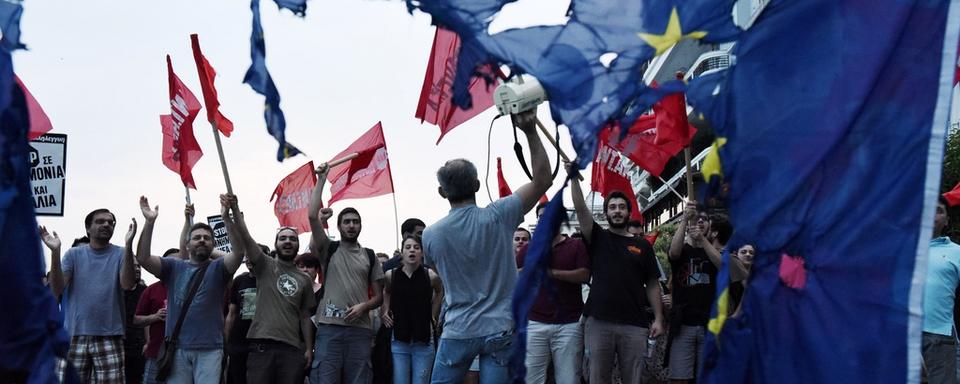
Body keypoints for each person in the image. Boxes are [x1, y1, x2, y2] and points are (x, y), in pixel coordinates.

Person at [422, 109, 553, 383]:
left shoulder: (431, 235)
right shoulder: (500, 215)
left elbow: (438, 271)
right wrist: (529, 130)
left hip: (458, 329)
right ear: (478, 186)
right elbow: (542, 179)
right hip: (501, 329)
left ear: (441, 192)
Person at [570, 165, 664, 384]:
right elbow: (581, 208)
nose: (617, 211)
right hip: (598, 322)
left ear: (629, 212)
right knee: (597, 379)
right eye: (612, 207)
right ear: (606, 213)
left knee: (634, 379)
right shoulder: (597, 238)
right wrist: (574, 178)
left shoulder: (643, 246)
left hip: (635, 324)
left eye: (622, 207)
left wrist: (659, 318)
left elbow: (652, 284)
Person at [136, 196, 244, 383]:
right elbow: (143, 258)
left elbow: (239, 253)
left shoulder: (219, 268)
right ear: (187, 245)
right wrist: (149, 222)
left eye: (206, 238)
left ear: (213, 245)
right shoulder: (173, 267)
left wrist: (226, 218)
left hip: (210, 349)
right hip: (177, 348)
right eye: (196, 238)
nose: (202, 240)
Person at [223, 194, 317, 384]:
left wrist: (308, 347)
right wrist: (234, 211)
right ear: (276, 244)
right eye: (283, 238)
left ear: (298, 245)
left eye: (292, 238)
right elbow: (246, 238)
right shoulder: (265, 265)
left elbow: (305, 316)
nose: (288, 241)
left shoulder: (304, 280)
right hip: (261, 348)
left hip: (292, 349)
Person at [308, 162, 386, 384]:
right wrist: (322, 180)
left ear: (361, 226)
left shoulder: (370, 256)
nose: (351, 225)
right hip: (329, 329)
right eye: (346, 222)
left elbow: (379, 297)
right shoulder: (329, 249)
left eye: (355, 222)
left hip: (360, 331)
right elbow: (313, 217)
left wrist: (364, 306)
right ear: (339, 226)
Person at [44, 208, 139, 383]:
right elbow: (56, 290)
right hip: (74, 335)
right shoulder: (73, 254)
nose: (107, 225)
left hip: (110, 335)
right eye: (100, 221)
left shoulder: (120, 253)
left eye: (111, 222)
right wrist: (55, 253)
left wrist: (128, 245)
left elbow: (128, 284)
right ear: (88, 228)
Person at [515, 204, 590, 384]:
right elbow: (515, 276)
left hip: (569, 324)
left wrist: (551, 273)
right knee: (532, 379)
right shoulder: (528, 249)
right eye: (541, 217)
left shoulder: (577, 245)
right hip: (535, 323)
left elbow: (585, 275)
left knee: (569, 379)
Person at [666, 201, 722, 384]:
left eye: (703, 220)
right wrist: (684, 220)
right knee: (680, 378)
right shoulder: (682, 250)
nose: (699, 222)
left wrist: (702, 240)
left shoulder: (714, 252)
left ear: (709, 226)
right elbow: (673, 254)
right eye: (695, 219)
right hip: (683, 325)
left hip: (708, 325)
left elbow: (723, 266)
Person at [382, 236, 444, 384]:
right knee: (400, 381)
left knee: (421, 381)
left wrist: (434, 314)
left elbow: (440, 292)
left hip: (423, 338)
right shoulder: (391, 275)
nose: (412, 250)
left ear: (422, 253)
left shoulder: (431, 275)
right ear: (401, 252)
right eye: (408, 247)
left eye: (416, 247)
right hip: (399, 337)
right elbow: (386, 291)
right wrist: (385, 310)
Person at [923, 196, 960, 383]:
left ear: (947, 221)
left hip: (938, 335)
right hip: (897, 332)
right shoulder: (898, 248)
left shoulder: (956, 252)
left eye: (938, 210)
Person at [135, 248, 179, 384]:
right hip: (155, 353)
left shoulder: (191, 288)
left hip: (184, 355)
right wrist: (155, 317)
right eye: (171, 262)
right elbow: (136, 319)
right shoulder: (151, 290)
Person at [225, 256, 258, 384]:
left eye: (253, 255)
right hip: (238, 342)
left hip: (260, 343)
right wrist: (227, 341)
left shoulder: (270, 280)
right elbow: (231, 314)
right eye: (247, 257)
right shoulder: (239, 280)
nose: (249, 259)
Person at [124, 262, 149, 384]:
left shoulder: (145, 291)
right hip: (120, 345)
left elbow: (148, 317)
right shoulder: (116, 290)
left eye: (139, 266)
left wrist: (148, 342)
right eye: (133, 266)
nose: (137, 269)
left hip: (140, 347)